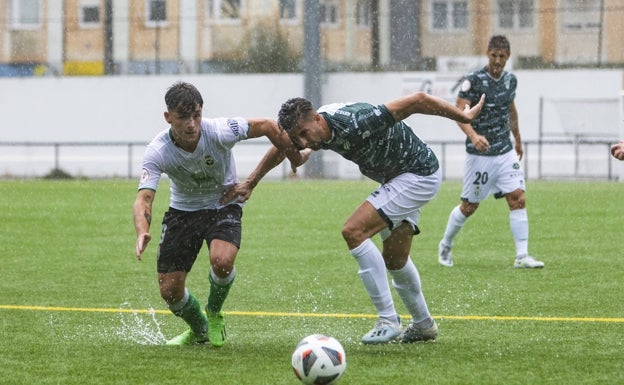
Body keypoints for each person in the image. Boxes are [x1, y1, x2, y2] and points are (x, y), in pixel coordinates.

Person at [227, 92, 484, 344]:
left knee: (354, 231)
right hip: (399, 177)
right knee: (395, 259)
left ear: (316, 118)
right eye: (298, 138)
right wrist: (251, 182)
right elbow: (282, 146)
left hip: (417, 174)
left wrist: (462, 115)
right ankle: (424, 325)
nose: (303, 142)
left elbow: (418, 100)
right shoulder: (314, 130)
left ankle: (388, 320)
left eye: (304, 134)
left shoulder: (357, 121)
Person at [133, 81, 309, 346]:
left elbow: (269, 126)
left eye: (197, 115)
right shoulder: (157, 151)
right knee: (170, 291)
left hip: (223, 204)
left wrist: (289, 160)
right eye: (183, 117)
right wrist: (142, 230)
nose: (192, 124)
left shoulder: (220, 131)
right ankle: (199, 328)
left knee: (222, 260)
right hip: (183, 211)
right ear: (168, 117)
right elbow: (144, 198)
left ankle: (214, 313)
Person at [437, 35, 544, 269]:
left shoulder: (510, 81)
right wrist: (474, 136)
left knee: (518, 198)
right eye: (494, 55)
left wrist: (518, 140)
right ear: (487, 53)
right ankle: (445, 244)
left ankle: (522, 256)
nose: (497, 60)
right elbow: (458, 111)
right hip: (480, 156)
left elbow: (511, 110)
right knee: (469, 207)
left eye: (502, 57)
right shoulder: (474, 80)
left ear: (508, 57)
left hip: (504, 151)